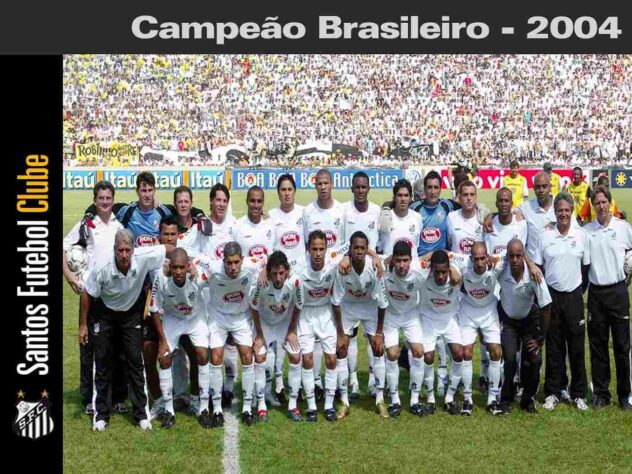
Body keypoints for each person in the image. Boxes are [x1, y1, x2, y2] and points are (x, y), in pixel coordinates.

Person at [80, 229, 173, 432]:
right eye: (120, 250)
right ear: (114, 250)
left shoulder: (144, 256)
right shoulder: (102, 267)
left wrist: (190, 261)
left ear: (133, 250)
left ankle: (142, 415)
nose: (124, 255)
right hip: (105, 313)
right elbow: (87, 293)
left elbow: (168, 248)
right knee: (102, 362)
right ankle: (101, 415)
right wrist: (83, 325)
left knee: (135, 360)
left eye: (127, 250)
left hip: (131, 313)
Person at [64, 180, 127, 416]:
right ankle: (89, 397)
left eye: (108, 198)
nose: (104, 202)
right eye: (100, 198)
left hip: (115, 294)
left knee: (117, 346)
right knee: (88, 346)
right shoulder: (86, 224)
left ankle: (119, 396)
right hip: (91, 295)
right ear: (95, 199)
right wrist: (70, 276)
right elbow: (63, 247)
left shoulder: (120, 225)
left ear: (113, 199)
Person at [532, 192, 591, 411]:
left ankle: (578, 394)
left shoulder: (581, 235)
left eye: (567, 210)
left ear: (572, 211)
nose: (563, 214)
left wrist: (576, 290)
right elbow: (539, 267)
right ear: (555, 212)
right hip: (552, 298)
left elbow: (586, 269)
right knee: (554, 346)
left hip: (574, 296)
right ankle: (553, 392)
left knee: (576, 347)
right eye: (560, 210)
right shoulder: (545, 236)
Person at [198, 242, 265, 426]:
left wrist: (265, 269)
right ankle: (217, 409)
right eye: (229, 263)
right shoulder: (212, 268)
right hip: (218, 316)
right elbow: (193, 259)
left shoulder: (252, 264)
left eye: (236, 262)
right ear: (223, 261)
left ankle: (247, 408)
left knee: (247, 355)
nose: (233, 267)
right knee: (216, 356)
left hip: (241, 316)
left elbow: (266, 260)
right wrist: (191, 270)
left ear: (242, 260)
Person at [150, 248, 211, 428]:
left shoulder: (197, 276)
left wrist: (199, 270)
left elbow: (216, 272)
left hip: (195, 318)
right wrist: (162, 341)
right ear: (170, 266)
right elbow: (154, 310)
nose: (178, 272)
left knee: (202, 355)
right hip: (173, 318)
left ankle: (203, 407)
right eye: (175, 267)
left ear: (188, 266)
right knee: (165, 358)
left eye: (181, 268)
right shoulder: (161, 278)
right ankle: (169, 411)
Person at [583, 186, 632, 410]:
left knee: (622, 347)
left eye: (604, 202)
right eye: (597, 203)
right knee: (598, 346)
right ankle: (602, 394)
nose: (601, 206)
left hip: (618, 292)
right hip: (596, 294)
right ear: (592, 206)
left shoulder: (623, 228)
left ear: (610, 203)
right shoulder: (587, 231)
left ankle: (625, 395)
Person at [332, 231, 388, 417]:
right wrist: (340, 334)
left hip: (370, 307)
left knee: (379, 348)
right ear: (350, 249)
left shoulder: (375, 268)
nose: (359, 251)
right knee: (341, 349)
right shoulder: (343, 268)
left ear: (367, 250)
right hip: (348, 307)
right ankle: (345, 401)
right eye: (355, 248)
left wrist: (379, 333)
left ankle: (380, 399)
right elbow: (336, 302)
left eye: (362, 248)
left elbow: (382, 303)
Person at [292, 230, 345, 422]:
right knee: (307, 360)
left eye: (322, 249)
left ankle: (329, 405)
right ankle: (312, 406)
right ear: (307, 249)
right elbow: (277, 263)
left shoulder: (333, 263)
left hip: (325, 314)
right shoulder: (298, 266)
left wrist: (346, 257)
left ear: (327, 248)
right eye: (314, 249)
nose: (318, 253)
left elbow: (357, 245)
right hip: (305, 314)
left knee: (331, 359)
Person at [498, 239, 552, 414]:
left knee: (535, 361)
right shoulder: (501, 269)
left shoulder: (534, 274)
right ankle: (506, 398)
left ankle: (528, 399)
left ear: (524, 257)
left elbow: (546, 307)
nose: (514, 260)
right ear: (507, 256)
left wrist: (540, 338)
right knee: (510, 359)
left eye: (518, 256)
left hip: (529, 320)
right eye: (511, 256)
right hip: (509, 321)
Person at [249, 251, 304, 421]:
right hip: (265, 323)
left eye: (281, 273)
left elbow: (298, 305)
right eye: (274, 273)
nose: (278, 277)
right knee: (259, 357)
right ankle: (261, 405)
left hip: (284, 324)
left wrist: (292, 330)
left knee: (296, 356)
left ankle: (293, 406)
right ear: (268, 272)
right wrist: (259, 335)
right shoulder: (261, 284)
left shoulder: (295, 282)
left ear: (287, 270)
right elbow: (253, 307)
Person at [200, 183, 240, 407]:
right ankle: (210, 390)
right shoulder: (203, 225)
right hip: (209, 294)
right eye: (218, 200)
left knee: (232, 341)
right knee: (211, 343)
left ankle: (229, 387)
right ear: (211, 202)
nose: (221, 204)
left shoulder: (234, 225)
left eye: (225, 200)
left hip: (232, 291)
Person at [382, 241, 433, 418]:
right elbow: (366, 255)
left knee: (419, 352)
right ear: (392, 260)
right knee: (392, 354)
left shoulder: (419, 270)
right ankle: (395, 401)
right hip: (391, 315)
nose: (402, 265)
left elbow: (438, 253)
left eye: (405, 260)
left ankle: (414, 400)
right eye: (398, 261)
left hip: (411, 315)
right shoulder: (383, 271)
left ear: (411, 260)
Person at [342, 172, 381, 400]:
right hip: (351, 275)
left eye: (364, 187)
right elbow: (340, 241)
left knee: (371, 334)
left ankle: (374, 382)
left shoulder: (377, 211)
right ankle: (353, 380)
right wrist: (347, 255)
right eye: (356, 187)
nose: (360, 190)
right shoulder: (344, 211)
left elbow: (380, 244)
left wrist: (374, 256)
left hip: (371, 277)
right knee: (352, 333)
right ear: (352, 188)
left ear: (369, 188)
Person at [454, 242, 505, 415]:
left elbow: (516, 250)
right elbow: (445, 254)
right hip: (468, 310)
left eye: (483, 258)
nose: (480, 263)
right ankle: (467, 399)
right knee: (466, 353)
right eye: (476, 259)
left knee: (496, 352)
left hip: (489, 310)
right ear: (470, 259)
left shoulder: (496, 263)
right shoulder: (463, 263)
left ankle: (492, 398)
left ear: (487, 257)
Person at [268, 174, 305, 405]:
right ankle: (278, 380)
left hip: (298, 280)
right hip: (279, 280)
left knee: (296, 332)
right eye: (283, 189)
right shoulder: (272, 216)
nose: (287, 193)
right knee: (277, 332)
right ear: (278, 192)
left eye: (290, 188)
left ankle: (297, 384)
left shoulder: (304, 213)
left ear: (295, 190)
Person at [419, 250, 464, 415]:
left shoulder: (456, 274)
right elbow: (408, 264)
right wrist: (428, 255)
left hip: (449, 319)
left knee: (459, 354)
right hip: (428, 318)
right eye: (436, 272)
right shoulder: (423, 273)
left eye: (443, 272)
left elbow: (463, 261)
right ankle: (430, 399)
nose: (440, 276)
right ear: (431, 269)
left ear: (449, 268)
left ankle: (450, 398)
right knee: (428, 357)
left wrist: (452, 269)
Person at [378, 179, 422, 258]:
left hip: (411, 268)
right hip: (390, 268)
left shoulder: (417, 217)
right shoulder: (385, 217)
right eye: (400, 195)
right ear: (394, 197)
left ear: (410, 198)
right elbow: (379, 247)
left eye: (406, 195)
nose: (403, 199)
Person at [484, 188, 528, 257]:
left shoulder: (521, 224)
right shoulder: (489, 225)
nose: (503, 204)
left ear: (511, 204)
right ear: (496, 204)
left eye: (506, 201)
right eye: (501, 201)